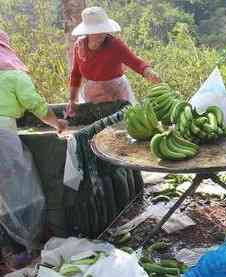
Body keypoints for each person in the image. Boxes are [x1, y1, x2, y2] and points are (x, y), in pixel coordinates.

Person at [0, 29, 67, 271]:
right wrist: (57, 123)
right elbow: (36, 104)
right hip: (3, 138)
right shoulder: (15, 77)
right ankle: (24, 247)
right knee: (20, 193)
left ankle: (7, 248)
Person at [66, 6, 161, 117]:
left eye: (103, 30)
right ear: (88, 32)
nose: (101, 34)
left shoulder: (115, 45)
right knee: (98, 126)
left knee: (122, 121)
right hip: (93, 94)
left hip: (117, 92)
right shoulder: (80, 46)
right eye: (96, 31)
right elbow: (76, 74)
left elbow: (135, 62)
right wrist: (72, 99)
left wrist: (149, 72)